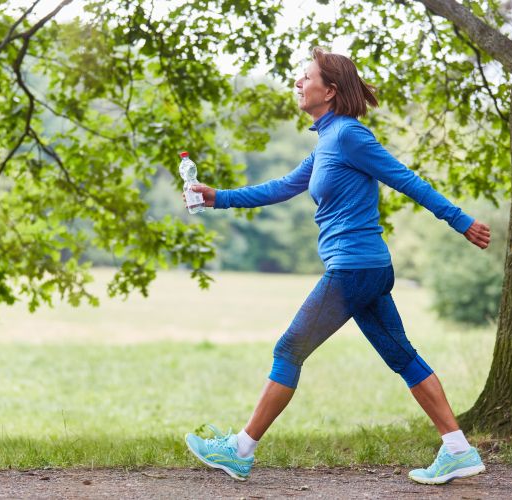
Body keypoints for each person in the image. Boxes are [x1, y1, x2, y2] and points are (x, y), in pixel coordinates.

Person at [183, 47, 491, 485]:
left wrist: (460, 221)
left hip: (353, 269)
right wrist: (218, 197)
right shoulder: (327, 141)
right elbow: (283, 186)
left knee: (289, 350)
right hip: (364, 270)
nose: (298, 82)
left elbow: (405, 178)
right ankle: (458, 449)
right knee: (401, 356)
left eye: (305, 77)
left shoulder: (349, 135)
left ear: (329, 91)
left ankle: (240, 450)